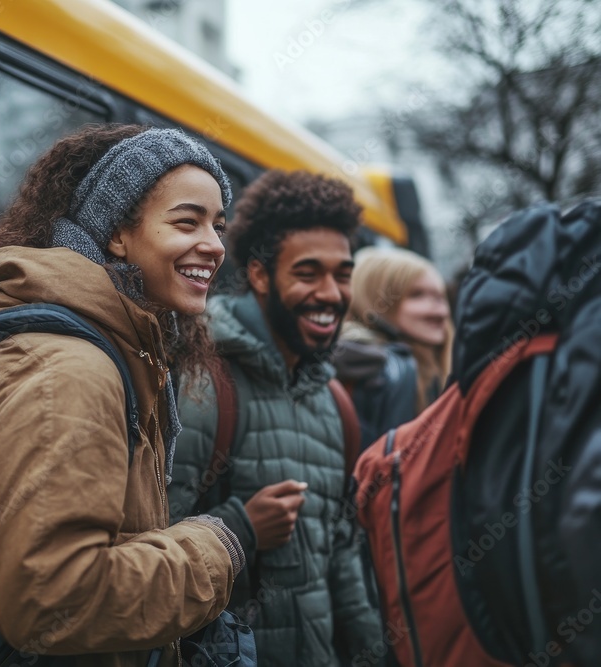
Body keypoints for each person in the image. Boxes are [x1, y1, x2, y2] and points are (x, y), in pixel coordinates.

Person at [0, 124, 247, 666]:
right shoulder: (69, 370)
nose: (214, 245)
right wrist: (214, 549)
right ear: (117, 235)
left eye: (218, 226)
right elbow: (51, 602)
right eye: (187, 221)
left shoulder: (99, 349)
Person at [168, 169, 382, 666]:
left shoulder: (334, 400)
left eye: (343, 274)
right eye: (308, 273)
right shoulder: (204, 382)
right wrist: (240, 526)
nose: (331, 294)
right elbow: (150, 547)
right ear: (261, 275)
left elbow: (341, 558)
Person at [334, 246, 453, 450]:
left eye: (441, 297)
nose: (440, 310)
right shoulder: (384, 369)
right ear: (371, 298)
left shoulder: (435, 372)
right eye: (416, 295)